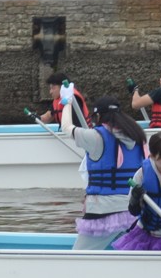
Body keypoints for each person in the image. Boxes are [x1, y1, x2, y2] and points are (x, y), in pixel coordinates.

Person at [63, 94, 147, 248]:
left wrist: (66, 102)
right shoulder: (138, 136)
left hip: (103, 210)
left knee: (78, 256)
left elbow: (66, 127)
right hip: (134, 212)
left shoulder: (96, 136)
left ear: (98, 116)